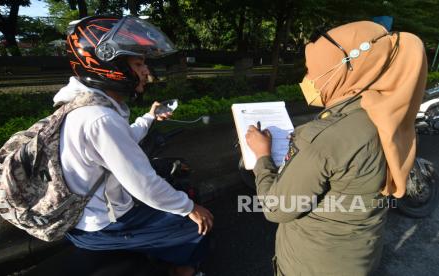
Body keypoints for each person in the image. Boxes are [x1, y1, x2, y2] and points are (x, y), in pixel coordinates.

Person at [246, 21, 427, 275]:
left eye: (312, 70)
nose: (307, 79)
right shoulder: (385, 115)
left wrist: (263, 156)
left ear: (346, 69)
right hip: (358, 255)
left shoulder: (326, 137)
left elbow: (276, 208)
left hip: (312, 265)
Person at [56, 15, 213, 276]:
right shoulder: (100, 118)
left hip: (92, 211)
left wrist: (150, 116)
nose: (146, 72)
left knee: (175, 193)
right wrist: (191, 209)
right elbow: (144, 185)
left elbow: (123, 140)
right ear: (107, 60)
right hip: (103, 224)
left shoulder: (87, 105)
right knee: (197, 227)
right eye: (139, 63)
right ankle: (185, 272)